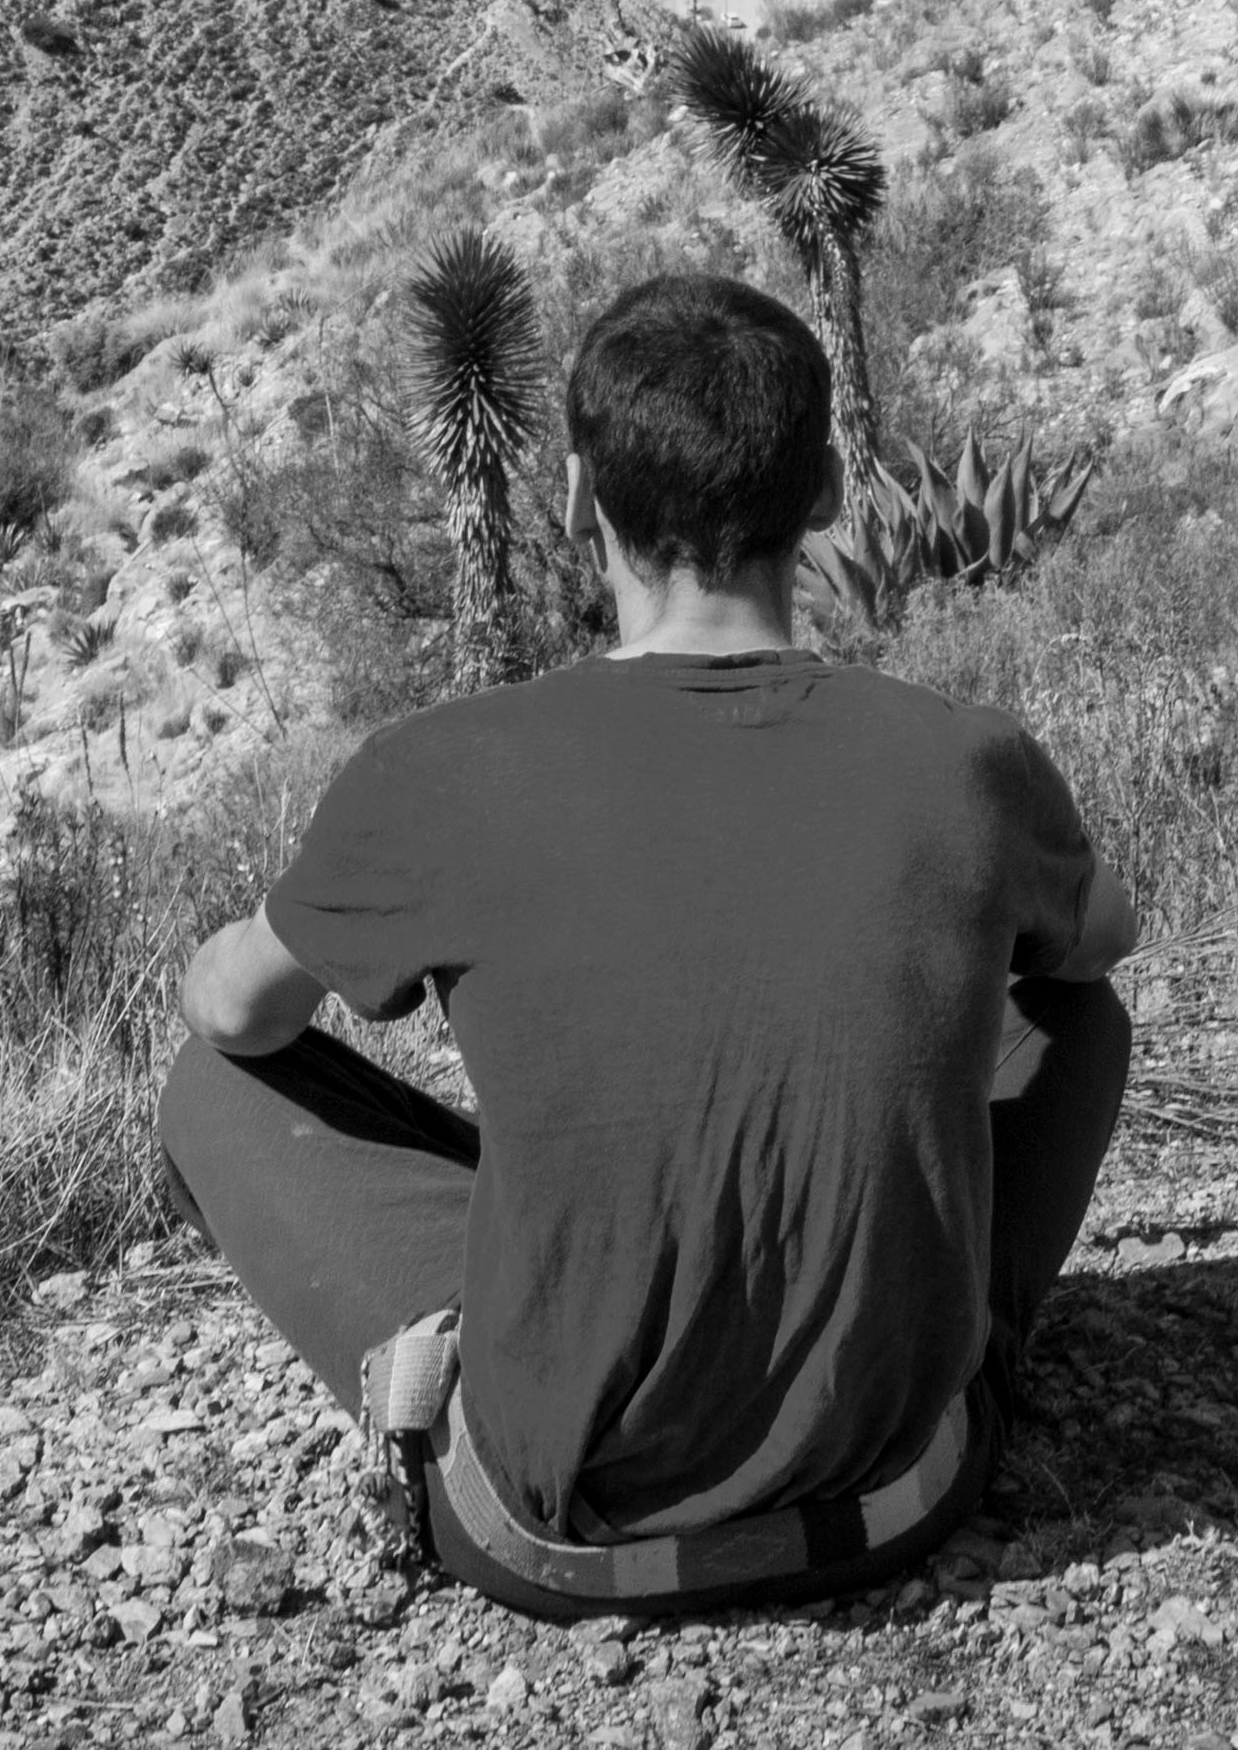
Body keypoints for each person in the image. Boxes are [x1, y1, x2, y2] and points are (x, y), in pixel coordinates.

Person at [155, 272, 1137, 1619]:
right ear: (826, 490)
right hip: (896, 1501)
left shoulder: (443, 771)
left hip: (547, 1537)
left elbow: (232, 1015)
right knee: (1074, 1015)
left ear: (576, 498)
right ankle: (936, 1354)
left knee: (210, 1084)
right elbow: (1100, 943)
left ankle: (508, 1365)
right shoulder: (964, 760)